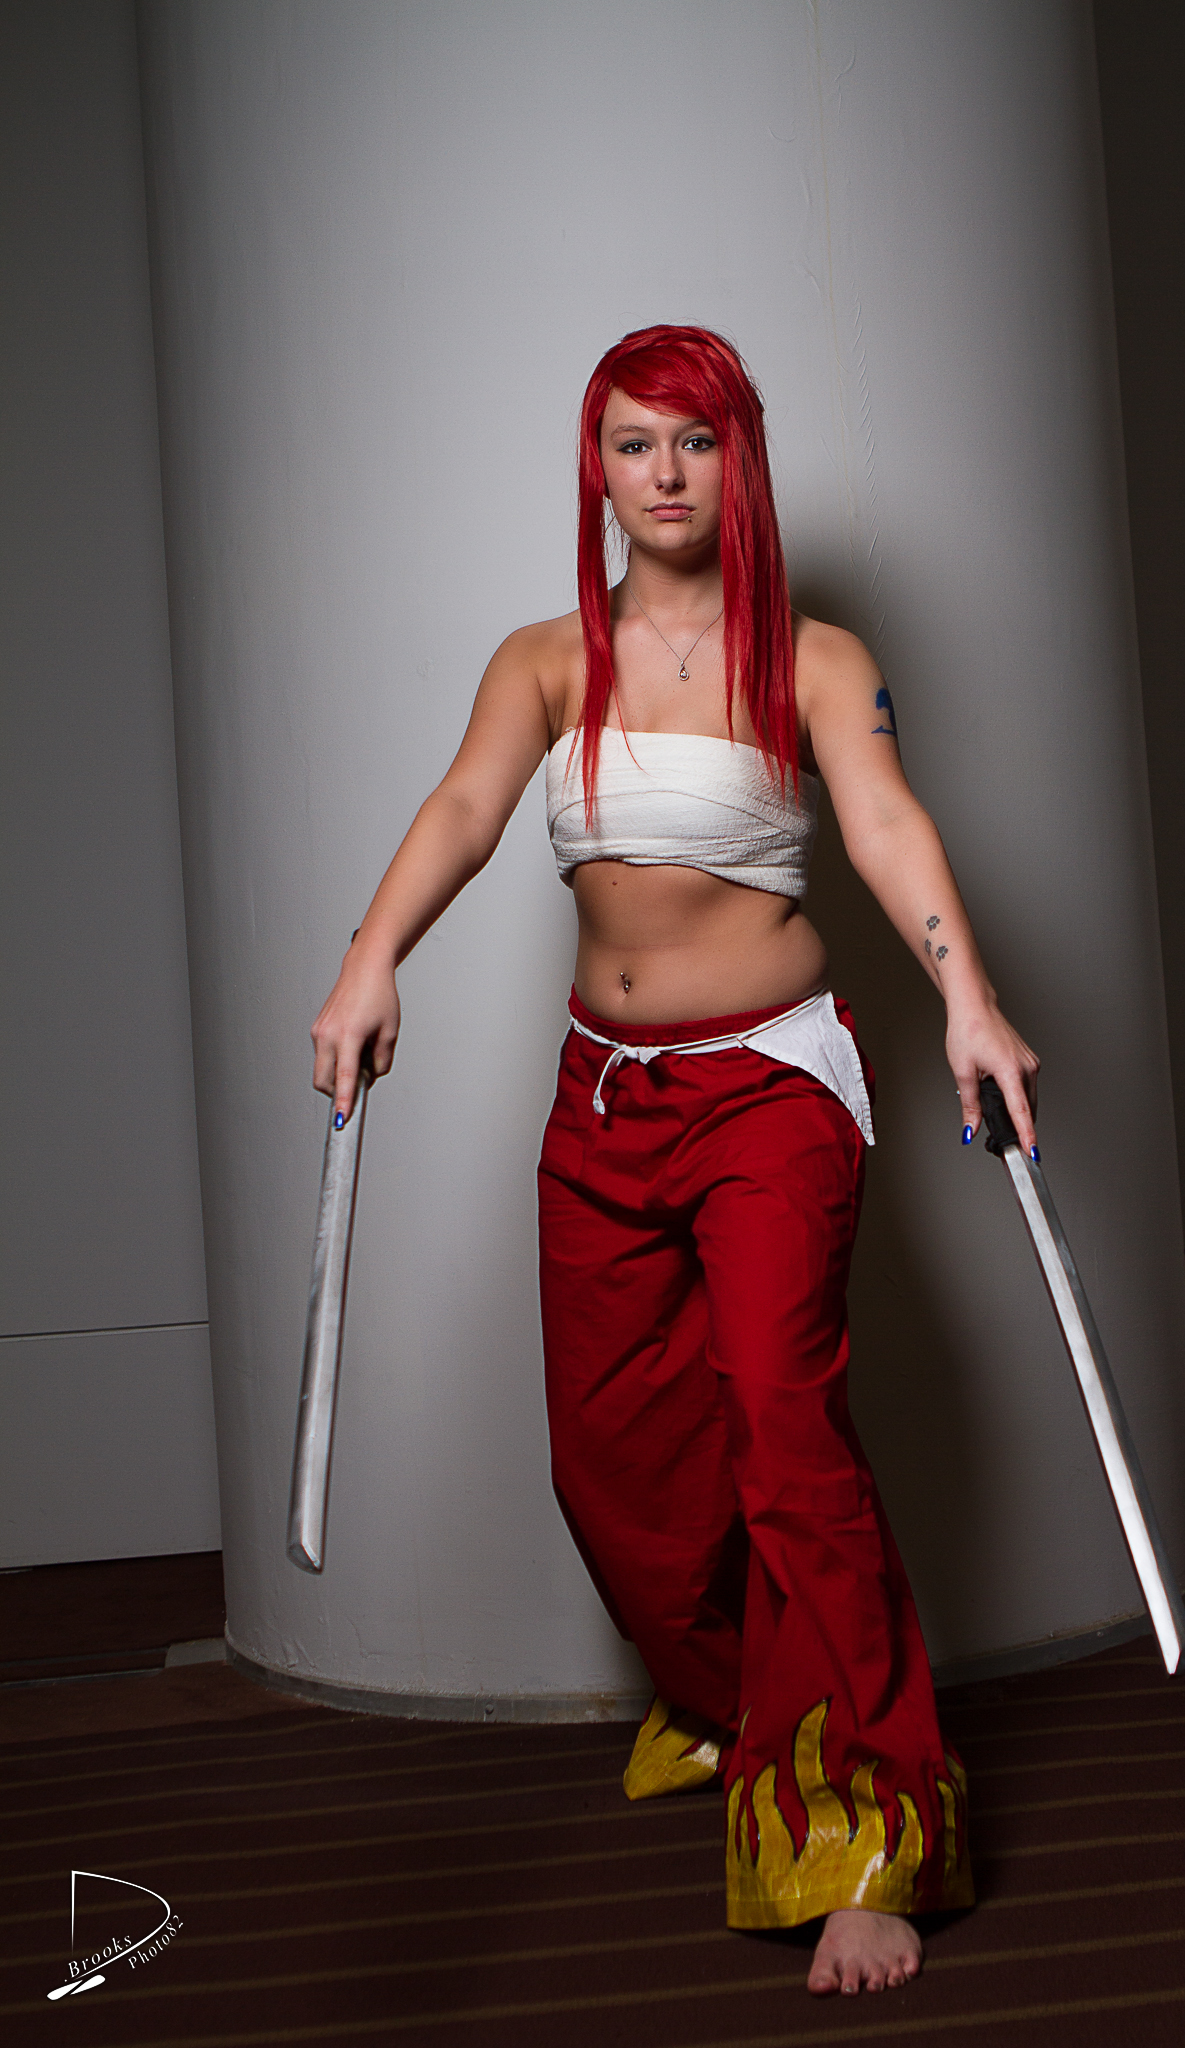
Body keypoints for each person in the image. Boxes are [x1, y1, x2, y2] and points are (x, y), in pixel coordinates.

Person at [311, 324, 1038, 1997]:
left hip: (768, 1090)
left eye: (696, 443)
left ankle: (867, 1830)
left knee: (785, 1433)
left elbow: (884, 824)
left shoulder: (816, 660)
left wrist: (969, 1001)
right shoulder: (543, 662)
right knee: (610, 1465)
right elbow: (463, 811)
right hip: (602, 1101)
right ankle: (741, 1713)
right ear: (597, 464)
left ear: (739, 462)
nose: (664, 474)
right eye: (635, 442)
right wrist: (369, 961)